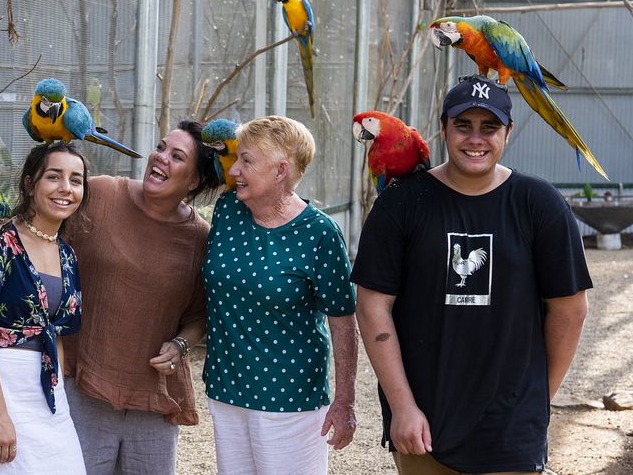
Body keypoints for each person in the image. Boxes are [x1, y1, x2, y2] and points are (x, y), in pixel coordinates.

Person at [351, 74, 592, 474]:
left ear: (508, 132)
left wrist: (535, 400)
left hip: (510, 433)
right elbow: (372, 305)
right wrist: (402, 407)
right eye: (463, 125)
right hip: (423, 428)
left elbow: (570, 310)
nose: (475, 138)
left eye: (489, 127)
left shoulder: (539, 203)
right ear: (443, 128)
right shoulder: (401, 204)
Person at [62, 119, 222, 474]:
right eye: (161, 147)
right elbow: (47, 253)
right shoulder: (100, 194)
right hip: (84, 388)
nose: (160, 157)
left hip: (153, 400)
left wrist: (180, 346)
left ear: (194, 180)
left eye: (177, 156)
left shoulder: (200, 238)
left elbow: (199, 315)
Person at [202, 115, 359, 474]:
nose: (234, 169)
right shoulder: (228, 211)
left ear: (280, 171)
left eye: (246, 161)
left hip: (289, 399)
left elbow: (342, 319)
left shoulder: (319, 233)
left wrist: (345, 401)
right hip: (226, 391)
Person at [0, 142, 89, 473]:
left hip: (47, 393)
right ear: (30, 183)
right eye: (54, 177)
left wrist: (59, 396)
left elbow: (55, 333)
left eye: (76, 179)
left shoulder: (68, 256)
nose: (66, 189)